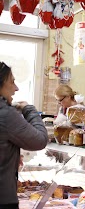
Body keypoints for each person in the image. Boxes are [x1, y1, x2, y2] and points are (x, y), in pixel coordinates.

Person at [0, 61, 48, 209]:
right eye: (12, 82)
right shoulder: (5, 114)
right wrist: (29, 109)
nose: (16, 88)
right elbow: (40, 140)